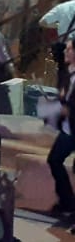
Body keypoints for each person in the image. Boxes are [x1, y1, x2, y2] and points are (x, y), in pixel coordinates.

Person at [47, 36, 75, 215]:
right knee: (54, 160)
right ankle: (67, 202)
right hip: (68, 128)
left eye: (69, 49)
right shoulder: (67, 71)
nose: (66, 51)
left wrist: (69, 109)